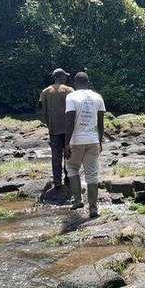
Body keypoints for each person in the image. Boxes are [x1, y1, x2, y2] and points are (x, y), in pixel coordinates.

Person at [64, 72, 106, 218]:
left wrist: (66, 144)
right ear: (88, 82)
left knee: (72, 168)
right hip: (93, 140)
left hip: (76, 140)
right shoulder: (97, 97)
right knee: (92, 175)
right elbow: (101, 124)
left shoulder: (71, 96)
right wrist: (99, 142)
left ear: (75, 83)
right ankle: (93, 209)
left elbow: (69, 121)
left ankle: (77, 200)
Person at [39, 68, 74, 187]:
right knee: (68, 154)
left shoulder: (45, 91)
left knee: (56, 156)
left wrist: (49, 125)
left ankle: (57, 181)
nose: (66, 78)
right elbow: (73, 110)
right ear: (61, 77)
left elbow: (43, 113)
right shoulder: (69, 90)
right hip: (68, 129)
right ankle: (68, 179)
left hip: (54, 129)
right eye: (65, 76)